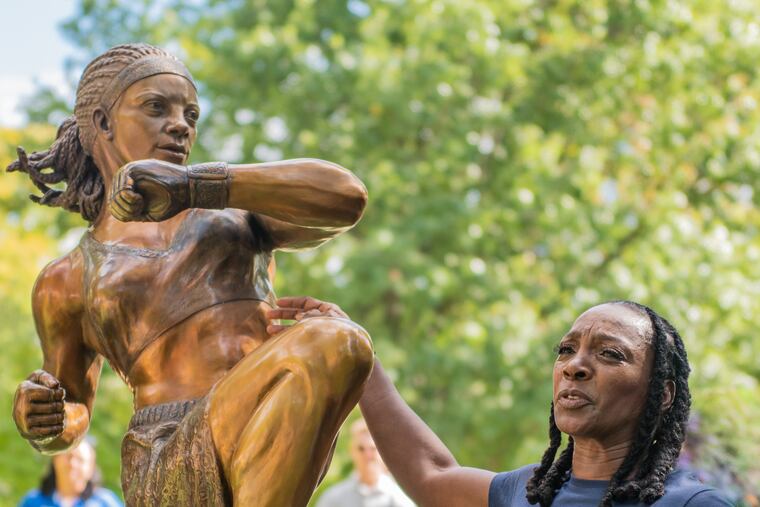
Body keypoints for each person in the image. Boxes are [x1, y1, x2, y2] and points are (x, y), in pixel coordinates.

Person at [9, 43, 373, 506]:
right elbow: (74, 407)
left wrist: (198, 186)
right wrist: (47, 418)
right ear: (102, 123)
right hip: (166, 454)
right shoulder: (68, 277)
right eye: (156, 107)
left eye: (191, 114)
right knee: (333, 341)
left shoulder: (238, 218)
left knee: (340, 343)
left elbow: (347, 198)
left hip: (267, 425)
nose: (181, 124)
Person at [267, 297, 734, 506]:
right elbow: (432, 475)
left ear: (662, 394)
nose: (575, 366)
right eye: (566, 350)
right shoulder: (525, 493)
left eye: (610, 354)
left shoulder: (692, 505)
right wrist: (356, 353)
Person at [316, 418, 415, 507]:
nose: (368, 455)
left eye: (373, 448)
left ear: (383, 453)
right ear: (352, 451)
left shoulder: (401, 501)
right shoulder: (332, 499)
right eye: (361, 449)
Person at [18, 439, 122, 507]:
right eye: (69, 457)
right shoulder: (33, 501)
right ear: (55, 460)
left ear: (91, 468)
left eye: (80, 459)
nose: (73, 464)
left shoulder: (106, 503)